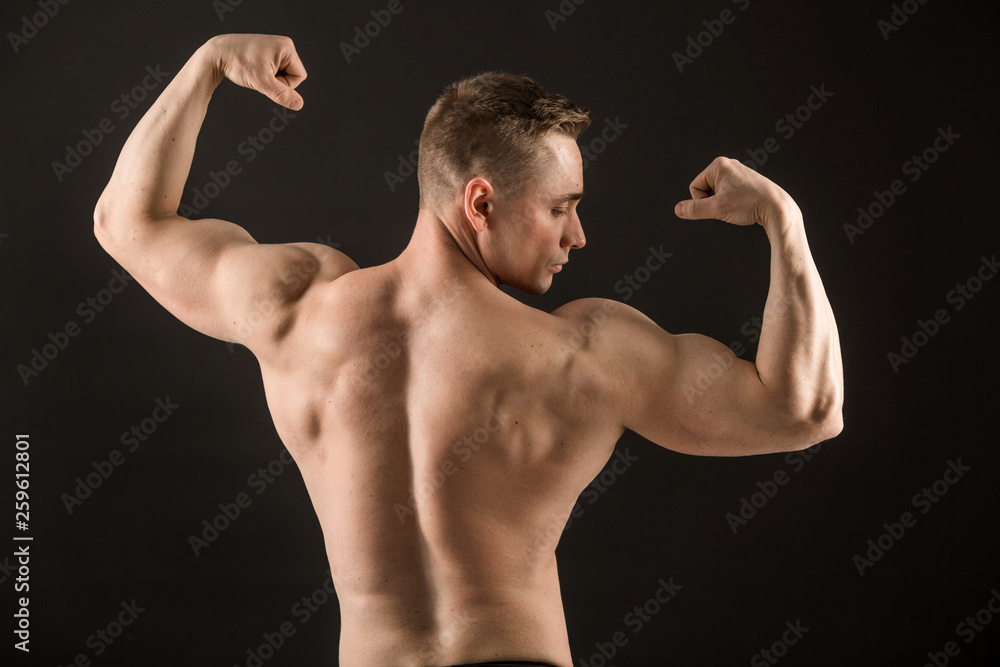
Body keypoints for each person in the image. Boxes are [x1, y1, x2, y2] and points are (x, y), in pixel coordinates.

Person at [94, 33, 844, 667]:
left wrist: (210, 63)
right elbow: (804, 410)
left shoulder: (298, 307)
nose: (576, 236)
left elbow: (126, 223)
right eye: (561, 208)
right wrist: (785, 223)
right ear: (480, 201)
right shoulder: (584, 350)